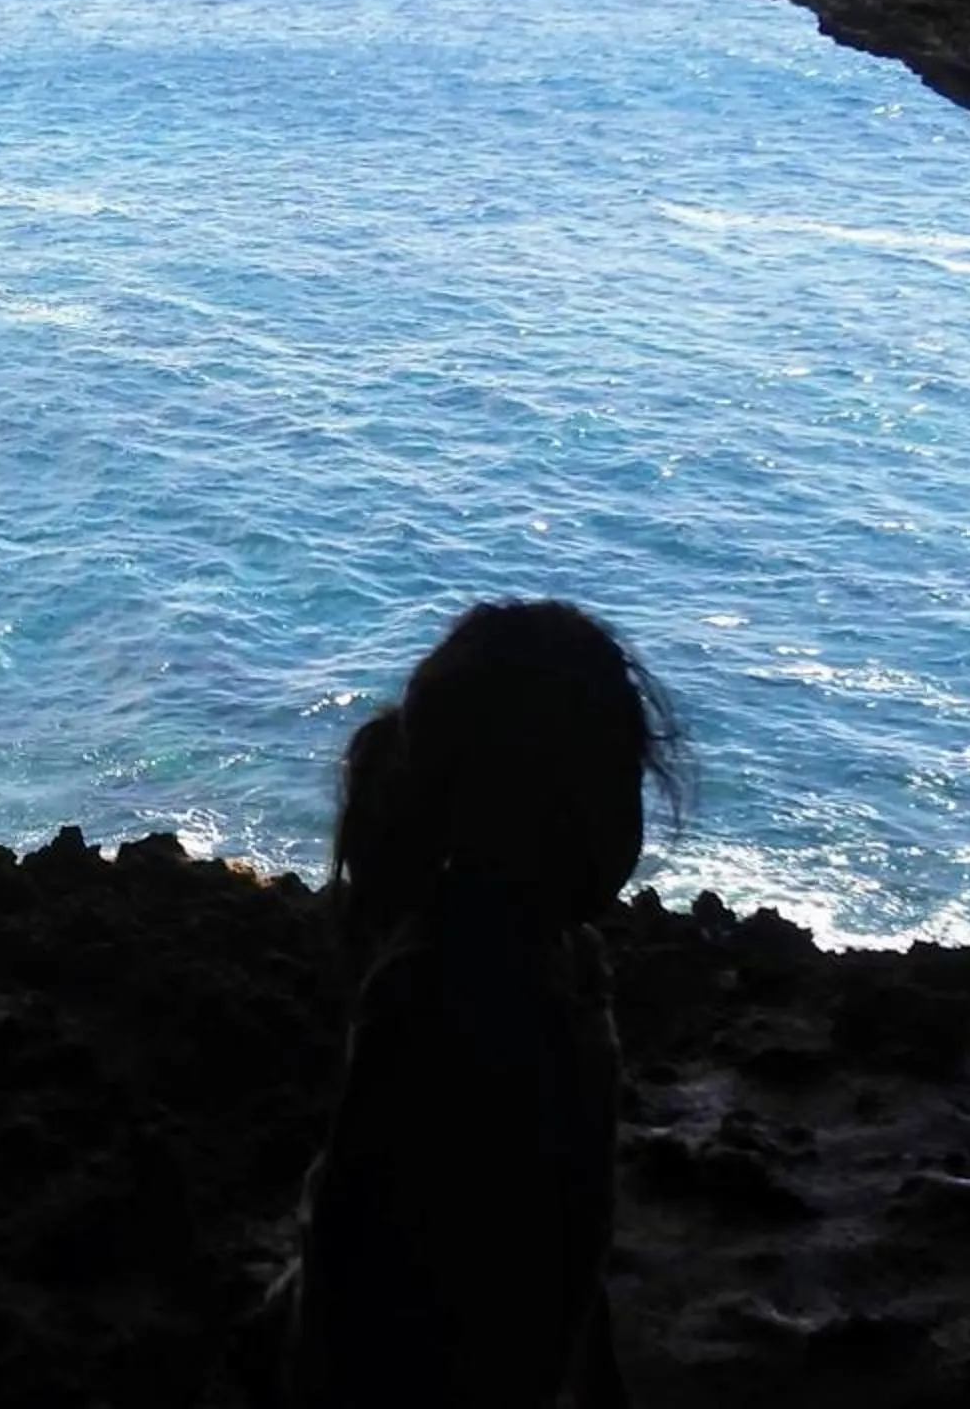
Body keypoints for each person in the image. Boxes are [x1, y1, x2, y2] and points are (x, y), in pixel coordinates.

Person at [272, 599, 686, 1409]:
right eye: (609, 785)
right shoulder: (442, 993)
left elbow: (568, 1238)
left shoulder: (557, 960)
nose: (620, 818)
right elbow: (353, 1261)